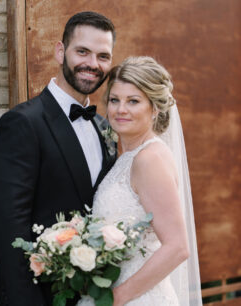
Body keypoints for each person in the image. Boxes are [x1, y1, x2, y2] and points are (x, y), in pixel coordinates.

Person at [0, 11, 116, 306]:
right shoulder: (22, 123)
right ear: (61, 51)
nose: (92, 64)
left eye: (103, 56)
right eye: (82, 51)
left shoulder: (105, 128)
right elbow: (7, 229)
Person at [78, 56, 203, 305]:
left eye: (133, 101)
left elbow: (177, 247)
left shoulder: (149, 159)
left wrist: (117, 297)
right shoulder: (128, 157)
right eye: (115, 100)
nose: (120, 109)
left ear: (154, 108)